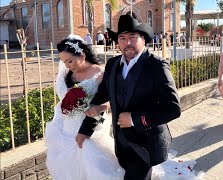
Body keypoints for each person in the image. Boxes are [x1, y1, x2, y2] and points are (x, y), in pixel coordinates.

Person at [77, 15, 184, 180]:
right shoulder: (113, 65)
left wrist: (134, 119)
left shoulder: (157, 66)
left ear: (143, 39)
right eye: (122, 38)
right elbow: (101, 96)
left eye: (132, 37)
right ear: (117, 41)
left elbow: (173, 109)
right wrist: (85, 130)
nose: (127, 42)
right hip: (121, 144)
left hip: (146, 144)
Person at [45, 34, 123, 179]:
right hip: (70, 124)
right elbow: (63, 98)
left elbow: (108, 99)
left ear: (81, 56)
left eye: (70, 61)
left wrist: (99, 108)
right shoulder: (68, 76)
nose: (67, 66)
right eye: (64, 62)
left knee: (93, 163)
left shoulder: (100, 72)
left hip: (92, 122)